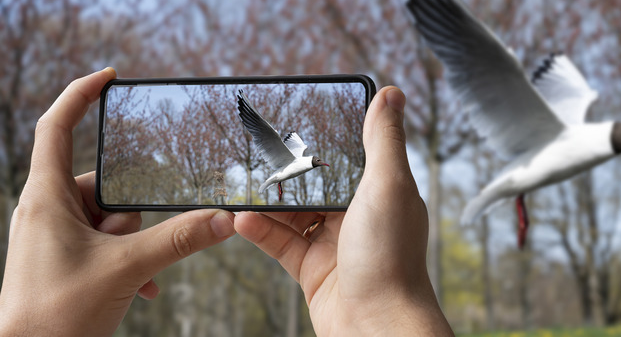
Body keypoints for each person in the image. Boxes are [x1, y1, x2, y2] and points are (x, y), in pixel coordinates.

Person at [0, 68, 453, 336]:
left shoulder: (302, 155)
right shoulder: (293, 155)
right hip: (276, 172)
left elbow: (298, 147)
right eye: (316, 162)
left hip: (282, 176)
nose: (317, 164)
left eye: (316, 163)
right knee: (277, 164)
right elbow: (268, 133)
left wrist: (379, 310)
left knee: (284, 170)